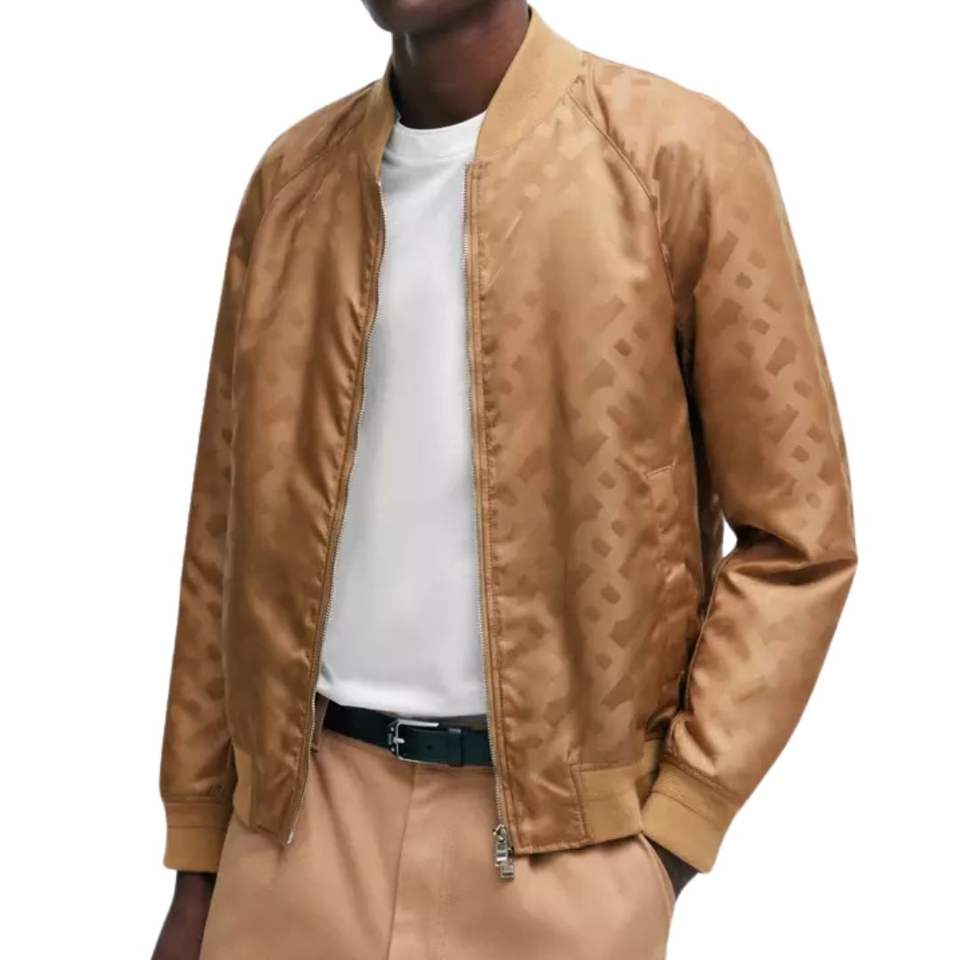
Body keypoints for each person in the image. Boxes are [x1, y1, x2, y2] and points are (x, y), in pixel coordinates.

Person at [151, 2, 858, 957]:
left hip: (560, 863)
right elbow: (220, 539)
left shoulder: (675, 159)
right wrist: (200, 863)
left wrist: (666, 841)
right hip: (291, 842)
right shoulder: (291, 182)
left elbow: (799, 535)